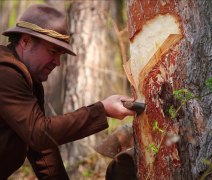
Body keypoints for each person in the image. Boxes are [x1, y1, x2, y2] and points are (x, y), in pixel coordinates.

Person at [0, 4, 135, 179]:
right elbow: (38, 133)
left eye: (61, 54)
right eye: (53, 51)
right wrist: (102, 109)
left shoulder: (27, 79)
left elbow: (42, 150)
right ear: (25, 41)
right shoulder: (5, 72)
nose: (57, 62)